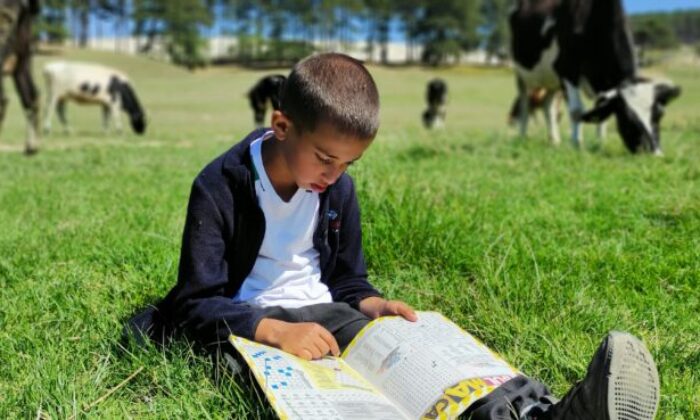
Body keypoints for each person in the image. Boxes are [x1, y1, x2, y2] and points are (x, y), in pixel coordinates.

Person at [125, 53, 660, 420]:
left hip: (326, 314)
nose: (334, 176)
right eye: (326, 158)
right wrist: (272, 331)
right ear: (283, 126)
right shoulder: (219, 186)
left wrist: (370, 302)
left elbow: (345, 277)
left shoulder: (338, 188)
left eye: (350, 163)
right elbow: (197, 301)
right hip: (249, 324)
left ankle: (546, 412)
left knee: (411, 351)